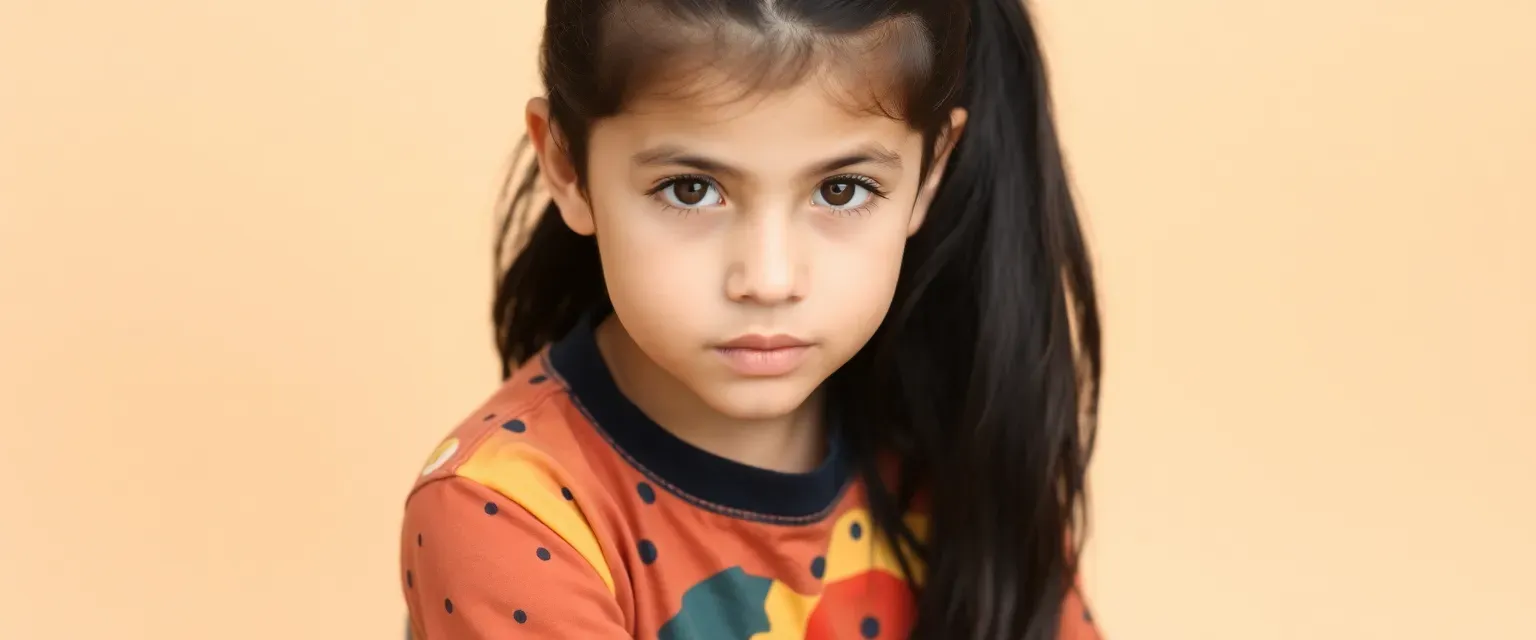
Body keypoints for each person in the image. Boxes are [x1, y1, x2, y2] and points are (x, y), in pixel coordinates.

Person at [399, 0, 1103, 637]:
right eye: (692, 189)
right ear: (567, 166)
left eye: (841, 189)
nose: (768, 279)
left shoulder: (964, 451)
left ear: (930, 172)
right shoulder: (510, 516)